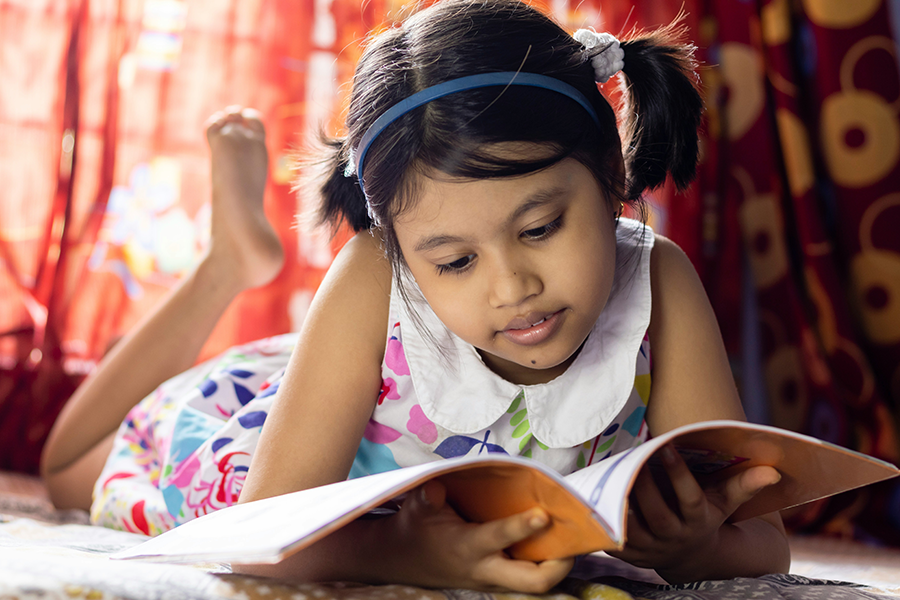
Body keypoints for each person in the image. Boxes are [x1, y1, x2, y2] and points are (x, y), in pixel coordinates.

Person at [40, 0, 790, 592]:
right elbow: (256, 533)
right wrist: (395, 552)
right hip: (302, 446)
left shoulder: (661, 278)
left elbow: (765, 542)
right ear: (400, 252)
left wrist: (698, 547)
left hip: (344, 376)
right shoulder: (371, 273)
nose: (512, 286)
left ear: (610, 173)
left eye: (540, 228)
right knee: (71, 469)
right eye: (456, 261)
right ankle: (228, 267)